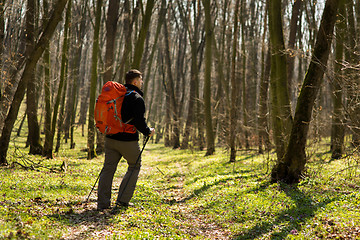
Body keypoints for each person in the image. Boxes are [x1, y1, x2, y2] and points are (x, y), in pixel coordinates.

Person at [97, 69, 155, 211]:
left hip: (110, 137)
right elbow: (139, 122)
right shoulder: (136, 98)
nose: (142, 82)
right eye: (141, 80)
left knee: (108, 169)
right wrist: (148, 131)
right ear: (135, 81)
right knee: (134, 165)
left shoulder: (116, 95)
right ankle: (122, 201)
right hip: (128, 141)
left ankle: (102, 203)